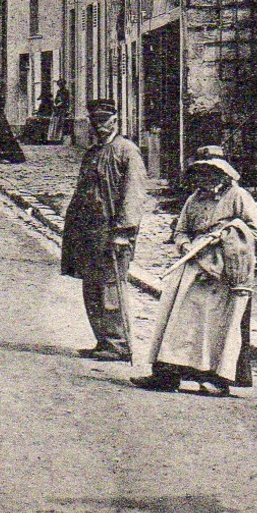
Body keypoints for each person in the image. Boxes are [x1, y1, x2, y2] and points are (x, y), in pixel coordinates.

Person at [134, 146, 257, 395]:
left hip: (224, 272)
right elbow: (180, 230)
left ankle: (214, 379)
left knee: (212, 326)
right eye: (201, 173)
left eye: (211, 172)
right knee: (177, 322)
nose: (205, 178)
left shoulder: (239, 197)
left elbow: (255, 231)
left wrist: (228, 233)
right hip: (193, 269)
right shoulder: (194, 199)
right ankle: (167, 375)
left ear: (224, 173)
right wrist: (186, 244)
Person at [60, 98, 152, 362]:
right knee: (91, 287)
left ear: (115, 121)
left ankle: (119, 343)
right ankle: (103, 340)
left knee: (111, 288)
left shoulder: (127, 151)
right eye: (95, 122)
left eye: (105, 121)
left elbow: (134, 195)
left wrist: (124, 231)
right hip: (87, 231)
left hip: (112, 232)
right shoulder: (92, 153)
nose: (100, 127)